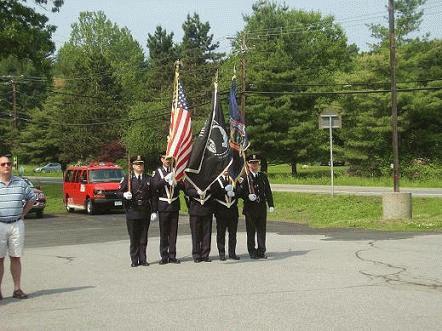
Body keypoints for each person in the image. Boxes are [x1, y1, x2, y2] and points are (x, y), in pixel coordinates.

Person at [0, 154, 36, 300]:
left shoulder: (20, 183)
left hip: (16, 225)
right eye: (3, 164)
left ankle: (17, 289)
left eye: (8, 164)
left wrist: (23, 213)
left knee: (16, 257)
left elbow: (32, 198)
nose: (6, 166)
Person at [118, 155, 156, 267]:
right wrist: (124, 194)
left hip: (145, 211)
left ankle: (143, 259)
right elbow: (118, 192)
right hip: (132, 211)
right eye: (137, 164)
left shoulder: (149, 179)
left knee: (143, 237)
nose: (139, 166)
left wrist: (154, 211)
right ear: (133, 166)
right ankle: (134, 260)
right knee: (134, 237)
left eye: (141, 164)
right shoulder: (128, 178)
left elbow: (153, 196)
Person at [239, 154, 274, 259]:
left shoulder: (262, 176)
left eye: (256, 163)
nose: (254, 165)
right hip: (250, 208)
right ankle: (252, 251)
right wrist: (247, 196)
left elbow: (268, 191)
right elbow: (239, 192)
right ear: (248, 164)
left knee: (261, 231)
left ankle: (261, 251)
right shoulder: (244, 177)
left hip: (261, 207)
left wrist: (271, 204)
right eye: (252, 163)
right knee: (251, 231)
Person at [151, 153, 183, 265]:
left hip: (174, 205)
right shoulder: (157, 172)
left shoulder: (175, 171)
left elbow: (182, 186)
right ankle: (164, 256)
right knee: (164, 232)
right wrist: (165, 180)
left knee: (173, 232)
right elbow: (154, 186)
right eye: (165, 158)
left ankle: (172, 255)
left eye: (169, 159)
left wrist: (176, 183)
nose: (167, 161)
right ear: (161, 159)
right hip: (164, 205)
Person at [212, 170, 240, 261]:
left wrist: (234, 193)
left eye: (228, 168)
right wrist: (224, 191)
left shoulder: (234, 180)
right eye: (224, 168)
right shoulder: (216, 180)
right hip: (221, 210)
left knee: (233, 233)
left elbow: (240, 191)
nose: (226, 170)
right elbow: (213, 193)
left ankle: (232, 253)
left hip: (232, 210)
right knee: (221, 233)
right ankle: (222, 253)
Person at [184, 180, 214, 263]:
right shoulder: (190, 178)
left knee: (207, 233)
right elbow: (187, 190)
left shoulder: (208, 176)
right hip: (195, 208)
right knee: (195, 233)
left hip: (207, 208)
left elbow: (215, 189)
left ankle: (205, 254)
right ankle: (196, 254)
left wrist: (209, 188)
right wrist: (197, 192)